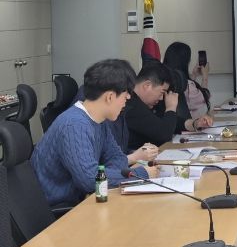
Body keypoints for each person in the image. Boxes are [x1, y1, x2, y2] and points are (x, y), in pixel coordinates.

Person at [30, 59, 157, 206]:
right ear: (110, 97)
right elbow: (89, 179)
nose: (126, 101)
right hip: (58, 207)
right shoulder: (74, 124)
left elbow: (116, 157)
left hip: (82, 199)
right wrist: (140, 174)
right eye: (125, 96)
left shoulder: (99, 121)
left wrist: (114, 175)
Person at [124, 60, 213, 150]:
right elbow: (164, 134)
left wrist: (195, 123)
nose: (161, 98)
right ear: (147, 85)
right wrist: (171, 108)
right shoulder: (131, 105)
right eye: (162, 92)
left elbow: (167, 122)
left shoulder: (143, 102)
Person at [163, 41, 211, 119]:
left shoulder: (162, 80)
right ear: (185, 62)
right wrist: (205, 75)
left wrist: (194, 75)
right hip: (187, 124)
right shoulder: (188, 86)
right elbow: (203, 98)